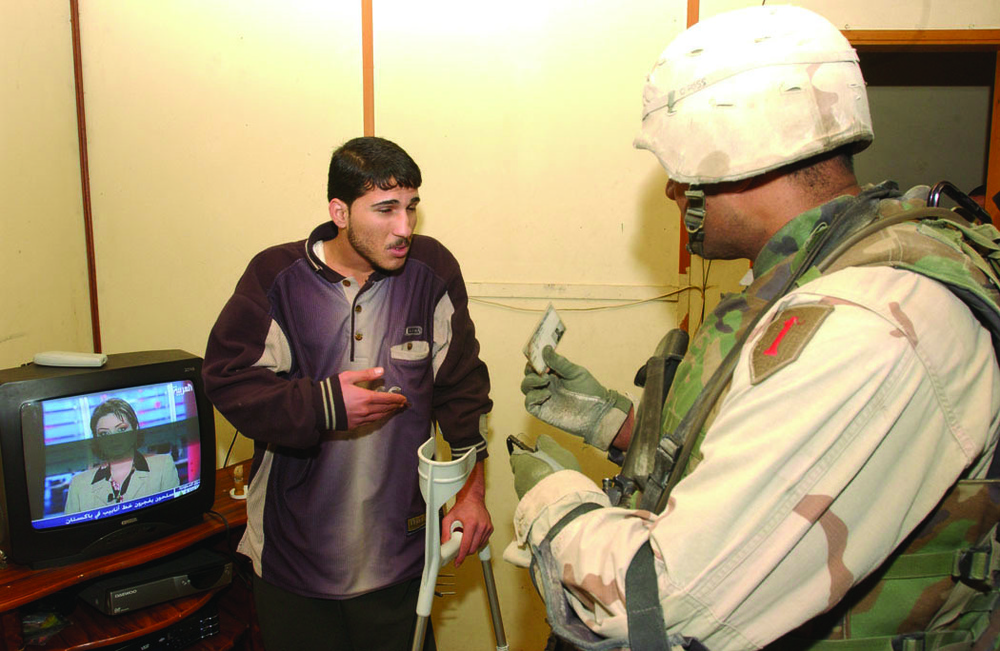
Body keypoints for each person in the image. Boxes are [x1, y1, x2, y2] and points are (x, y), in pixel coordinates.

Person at [509, 6, 1000, 650]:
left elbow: (660, 605)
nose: (671, 193)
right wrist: (616, 424)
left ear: (735, 153)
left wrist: (551, 502)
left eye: (678, 168)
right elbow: (757, 468)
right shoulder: (814, 270)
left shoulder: (867, 324)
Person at [202, 136, 493, 651]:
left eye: (411, 208)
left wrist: (472, 493)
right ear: (339, 211)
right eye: (385, 210)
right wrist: (325, 404)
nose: (404, 228)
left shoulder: (431, 273)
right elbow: (229, 379)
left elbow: (462, 389)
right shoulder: (277, 277)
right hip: (293, 557)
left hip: (398, 554)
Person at [64, 397, 180, 514]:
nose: (114, 439)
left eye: (121, 429)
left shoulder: (163, 466)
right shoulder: (78, 485)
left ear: (135, 429)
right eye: (104, 433)